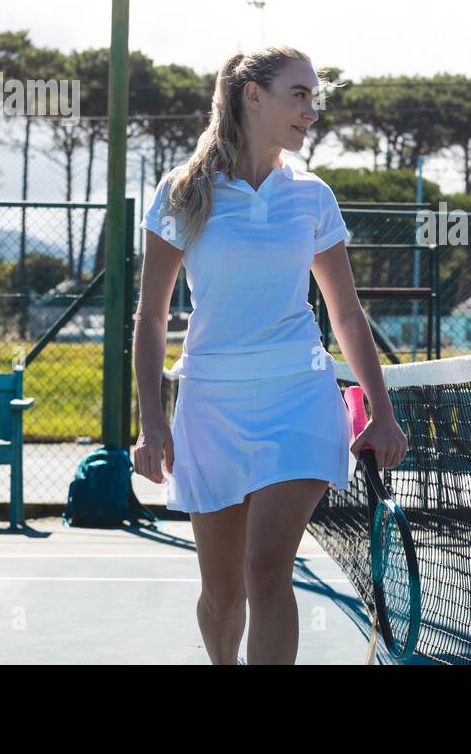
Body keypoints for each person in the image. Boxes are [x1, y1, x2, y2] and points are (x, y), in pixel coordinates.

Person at [131, 46, 406, 665]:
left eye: (315, 98)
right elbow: (149, 317)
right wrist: (152, 421)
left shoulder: (313, 197)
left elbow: (345, 313)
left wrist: (381, 412)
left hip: (300, 401)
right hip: (209, 407)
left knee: (266, 569)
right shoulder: (181, 191)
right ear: (252, 96)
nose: (312, 111)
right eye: (299, 95)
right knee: (224, 594)